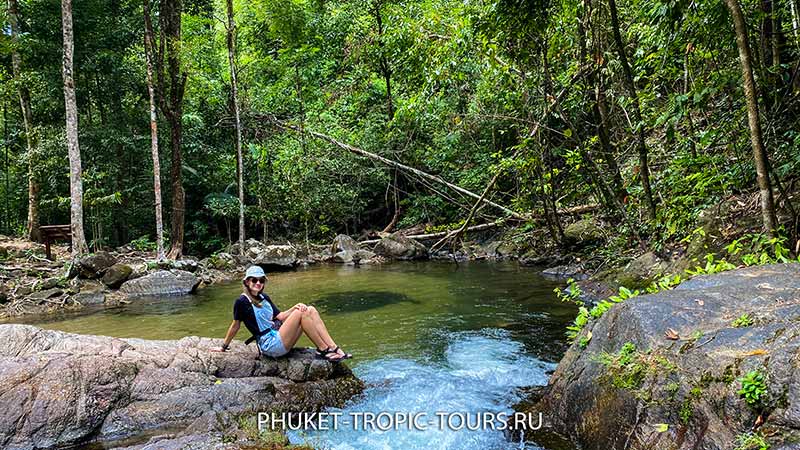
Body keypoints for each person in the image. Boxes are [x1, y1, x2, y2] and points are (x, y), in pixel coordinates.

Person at [211, 266, 352, 361]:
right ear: (247, 282)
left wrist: (295, 306)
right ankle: (323, 350)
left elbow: (281, 317)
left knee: (310, 309)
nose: (258, 283)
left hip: (278, 336)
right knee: (301, 313)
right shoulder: (241, 301)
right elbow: (235, 325)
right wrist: (223, 347)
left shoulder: (264, 297)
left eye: (261, 280)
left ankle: (333, 347)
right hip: (269, 345)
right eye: (254, 280)